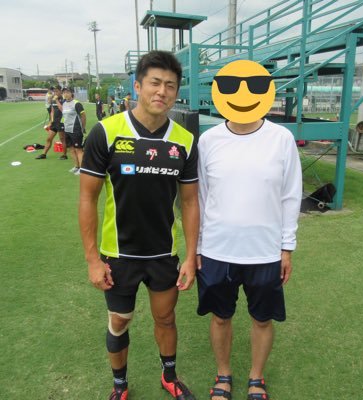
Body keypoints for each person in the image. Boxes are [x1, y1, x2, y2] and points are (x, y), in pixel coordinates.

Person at [79, 50, 199, 400]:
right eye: (155, 83)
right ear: (138, 86)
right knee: (119, 320)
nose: (162, 91)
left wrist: (191, 257)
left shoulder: (184, 140)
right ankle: (120, 385)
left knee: (166, 319)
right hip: (119, 254)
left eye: (170, 86)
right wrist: (92, 259)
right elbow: (87, 198)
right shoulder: (106, 132)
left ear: (177, 92)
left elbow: (190, 202)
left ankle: (169, 377)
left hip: (163, 253)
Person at [196, 62, 302, 399]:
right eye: (231, 87)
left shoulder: (281, 139)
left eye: (254, 86)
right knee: (220, 317)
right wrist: (197, 247)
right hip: (217, 249)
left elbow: (291, 195)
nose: (243, 95)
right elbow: (200, 197)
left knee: (262, 319)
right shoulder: (209, 140)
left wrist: (286, 247)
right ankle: (223, 375)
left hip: (265, 251)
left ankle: (256, 378)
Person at [36, 85, 68, 160]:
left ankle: (64, 155)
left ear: (61, 91)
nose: (55, 93)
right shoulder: (53, 100)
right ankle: (44, 154)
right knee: (49, 139)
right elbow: (52, 111)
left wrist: (56, 100)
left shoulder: (64, 100)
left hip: (61, 122)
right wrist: (51, 121)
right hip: (54, 123)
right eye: (54, 91)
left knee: (62, 139)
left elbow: (62, 109)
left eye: (57, 91)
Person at [61, 87, 86, 175]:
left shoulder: (77, 103)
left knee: (78, 150)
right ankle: (76, 166)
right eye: (64, 92)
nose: (66, 94)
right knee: (71, 149)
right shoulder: (64, 103)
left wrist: (82, 128)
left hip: (76, 130)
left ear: (71, 93)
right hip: (67, 130)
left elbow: (83, 116)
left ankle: (82, 169)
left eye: (68, 92)